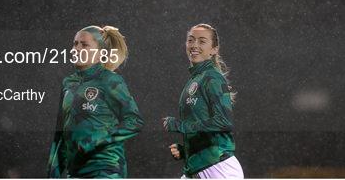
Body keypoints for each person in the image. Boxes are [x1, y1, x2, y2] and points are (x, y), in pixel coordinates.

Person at [47, 25, 144, 178]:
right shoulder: (68, 83)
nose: (76, 49)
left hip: (105, 170)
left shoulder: (110, 80)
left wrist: (96, 139)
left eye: (84, 44)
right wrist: (53, 174)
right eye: (75, 43)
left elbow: (134, 121)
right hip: (75, 173)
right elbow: (60, 135)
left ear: (101, 53)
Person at [163, 23, 243, 178]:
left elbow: (223, 122)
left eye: (202, 41)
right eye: (191, 40)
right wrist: (187, 150)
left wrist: (181, 126)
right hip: (199, 167)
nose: (194, 45)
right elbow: (204, 127)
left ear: (214, 49)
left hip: (219, 169)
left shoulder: (212, 77)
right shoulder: (196, 79)